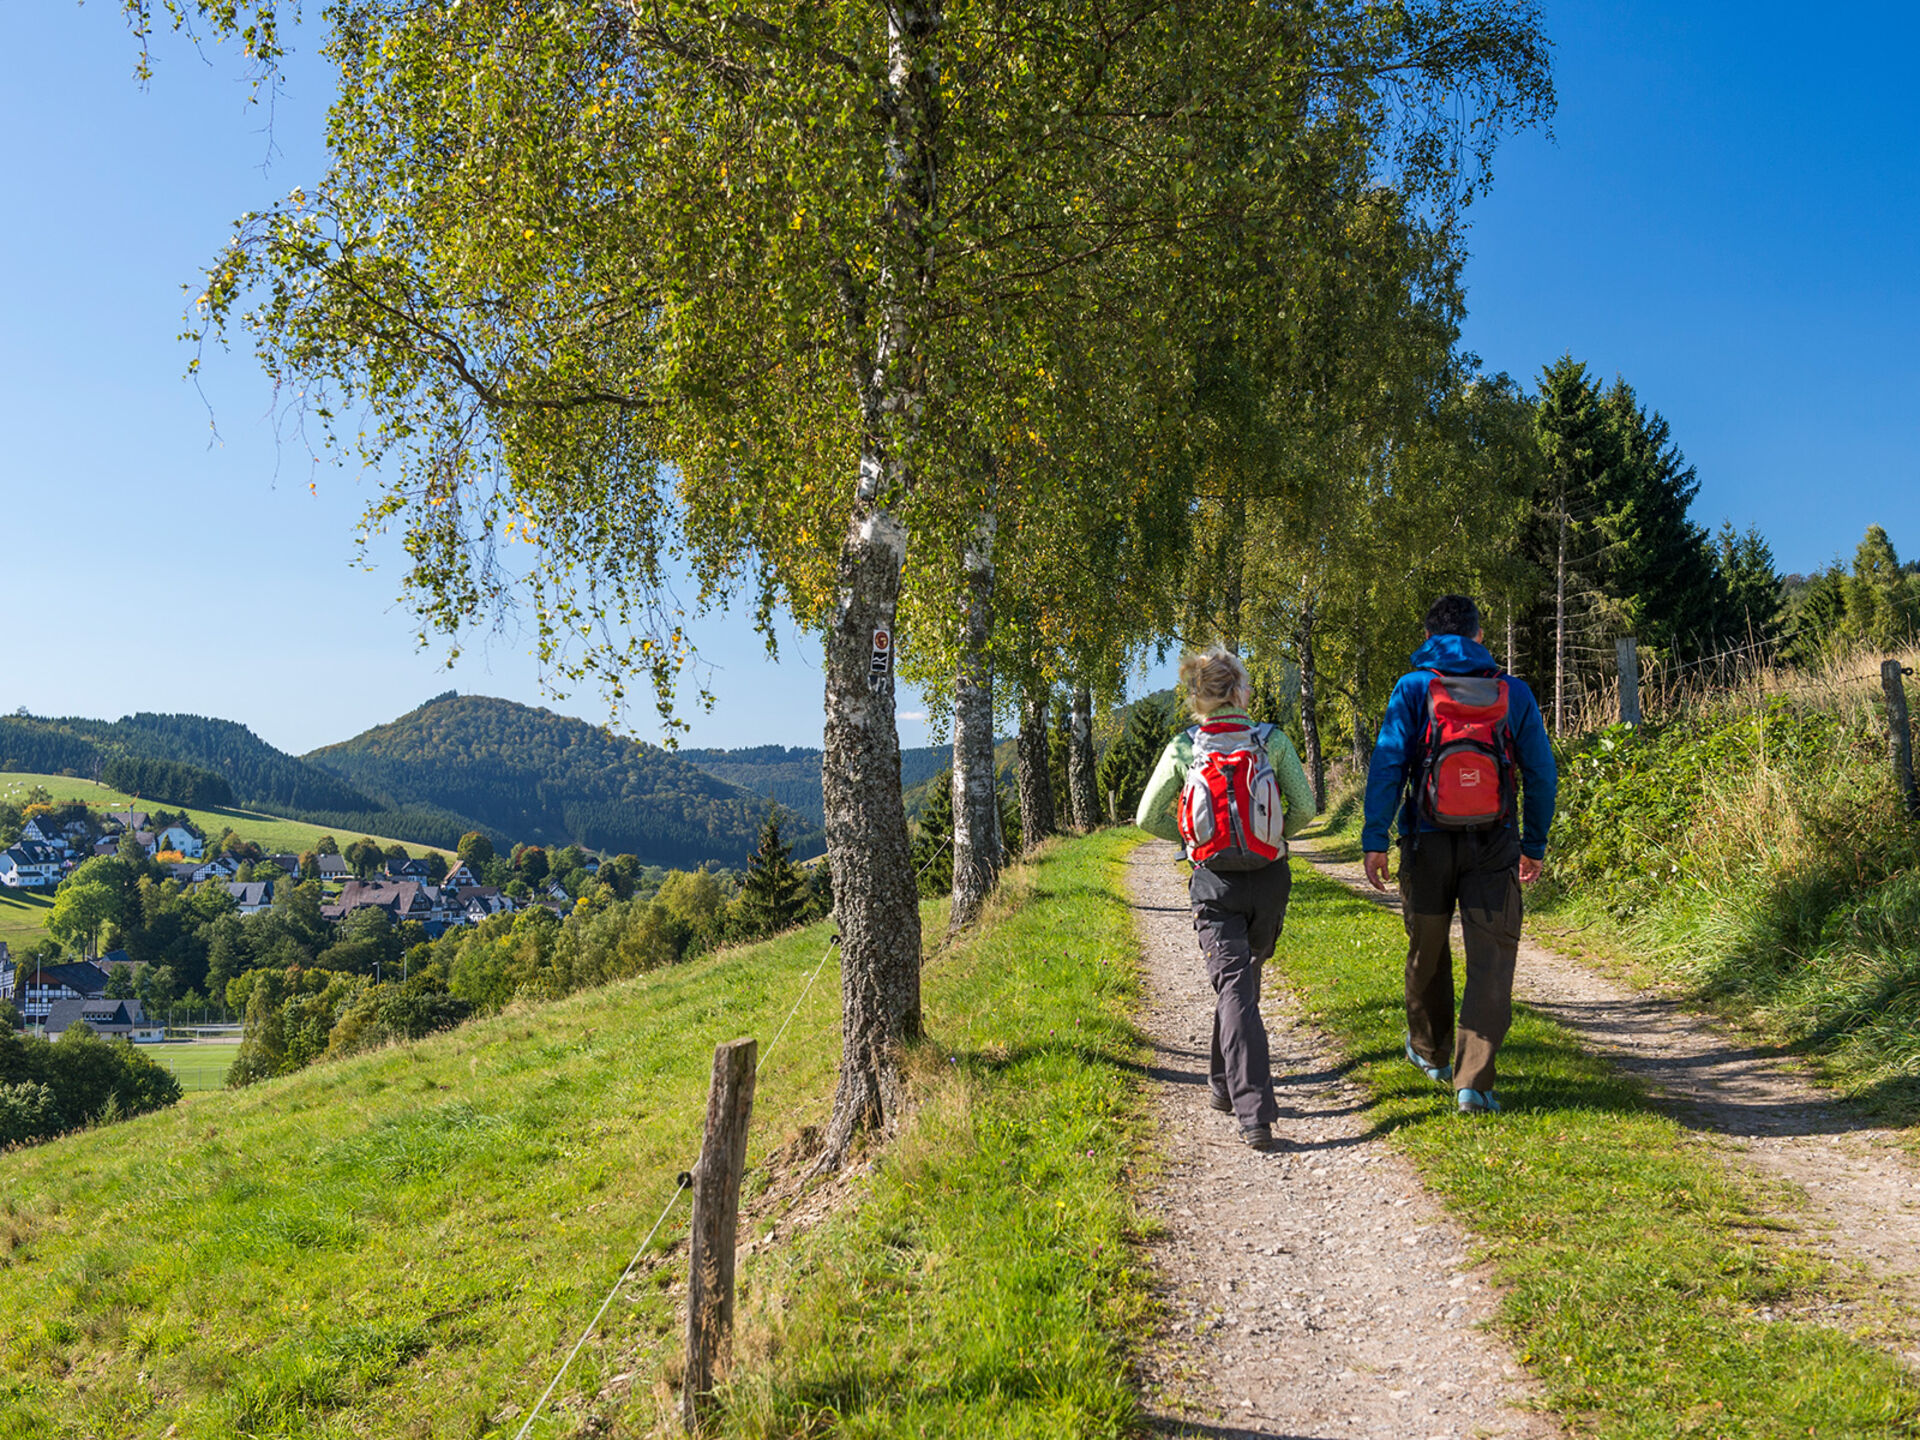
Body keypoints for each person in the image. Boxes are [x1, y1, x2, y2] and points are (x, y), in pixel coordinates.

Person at [1361, 594, 1557, 1114]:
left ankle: (1430, 1052)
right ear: (1478, 636)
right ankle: (1473, 1083)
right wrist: (1533, 843)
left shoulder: (1412, 688)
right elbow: (1541, 772)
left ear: (1429, 638)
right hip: (1494, 842)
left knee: (1427, 946)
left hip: (1425, 841)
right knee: (1491, 958)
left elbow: (1387, 765)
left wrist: (1375, 838)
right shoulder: (1512, 692)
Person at [1136, 647, 1317, 1150]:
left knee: (1235, 988)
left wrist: (1194, 841)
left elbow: (1146, 817)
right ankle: (1247, 1103)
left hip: (1213, 881)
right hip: (1269, 877)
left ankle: (1240, 1098)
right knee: (1243, 983)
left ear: (1199, 697)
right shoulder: (1271, 741)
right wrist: (1273, 836)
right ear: (1239, 690)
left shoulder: (1185, 746)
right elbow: (1303, 808)